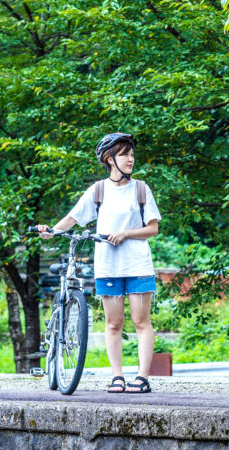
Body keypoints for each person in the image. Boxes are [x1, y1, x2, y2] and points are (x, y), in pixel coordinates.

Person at [38, 132, 161, 394]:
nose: (131, 158)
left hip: (138, 264)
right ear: (109, 158)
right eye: (124, 154)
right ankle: (117, 376)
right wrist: (51, 231)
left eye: (131, 153)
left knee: (141, 322)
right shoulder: (98, 190)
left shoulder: (141, 189)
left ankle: (142, 377)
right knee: (113, 323)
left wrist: (126, 233)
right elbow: (73, 218)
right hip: (108, 266)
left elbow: (152, 228)